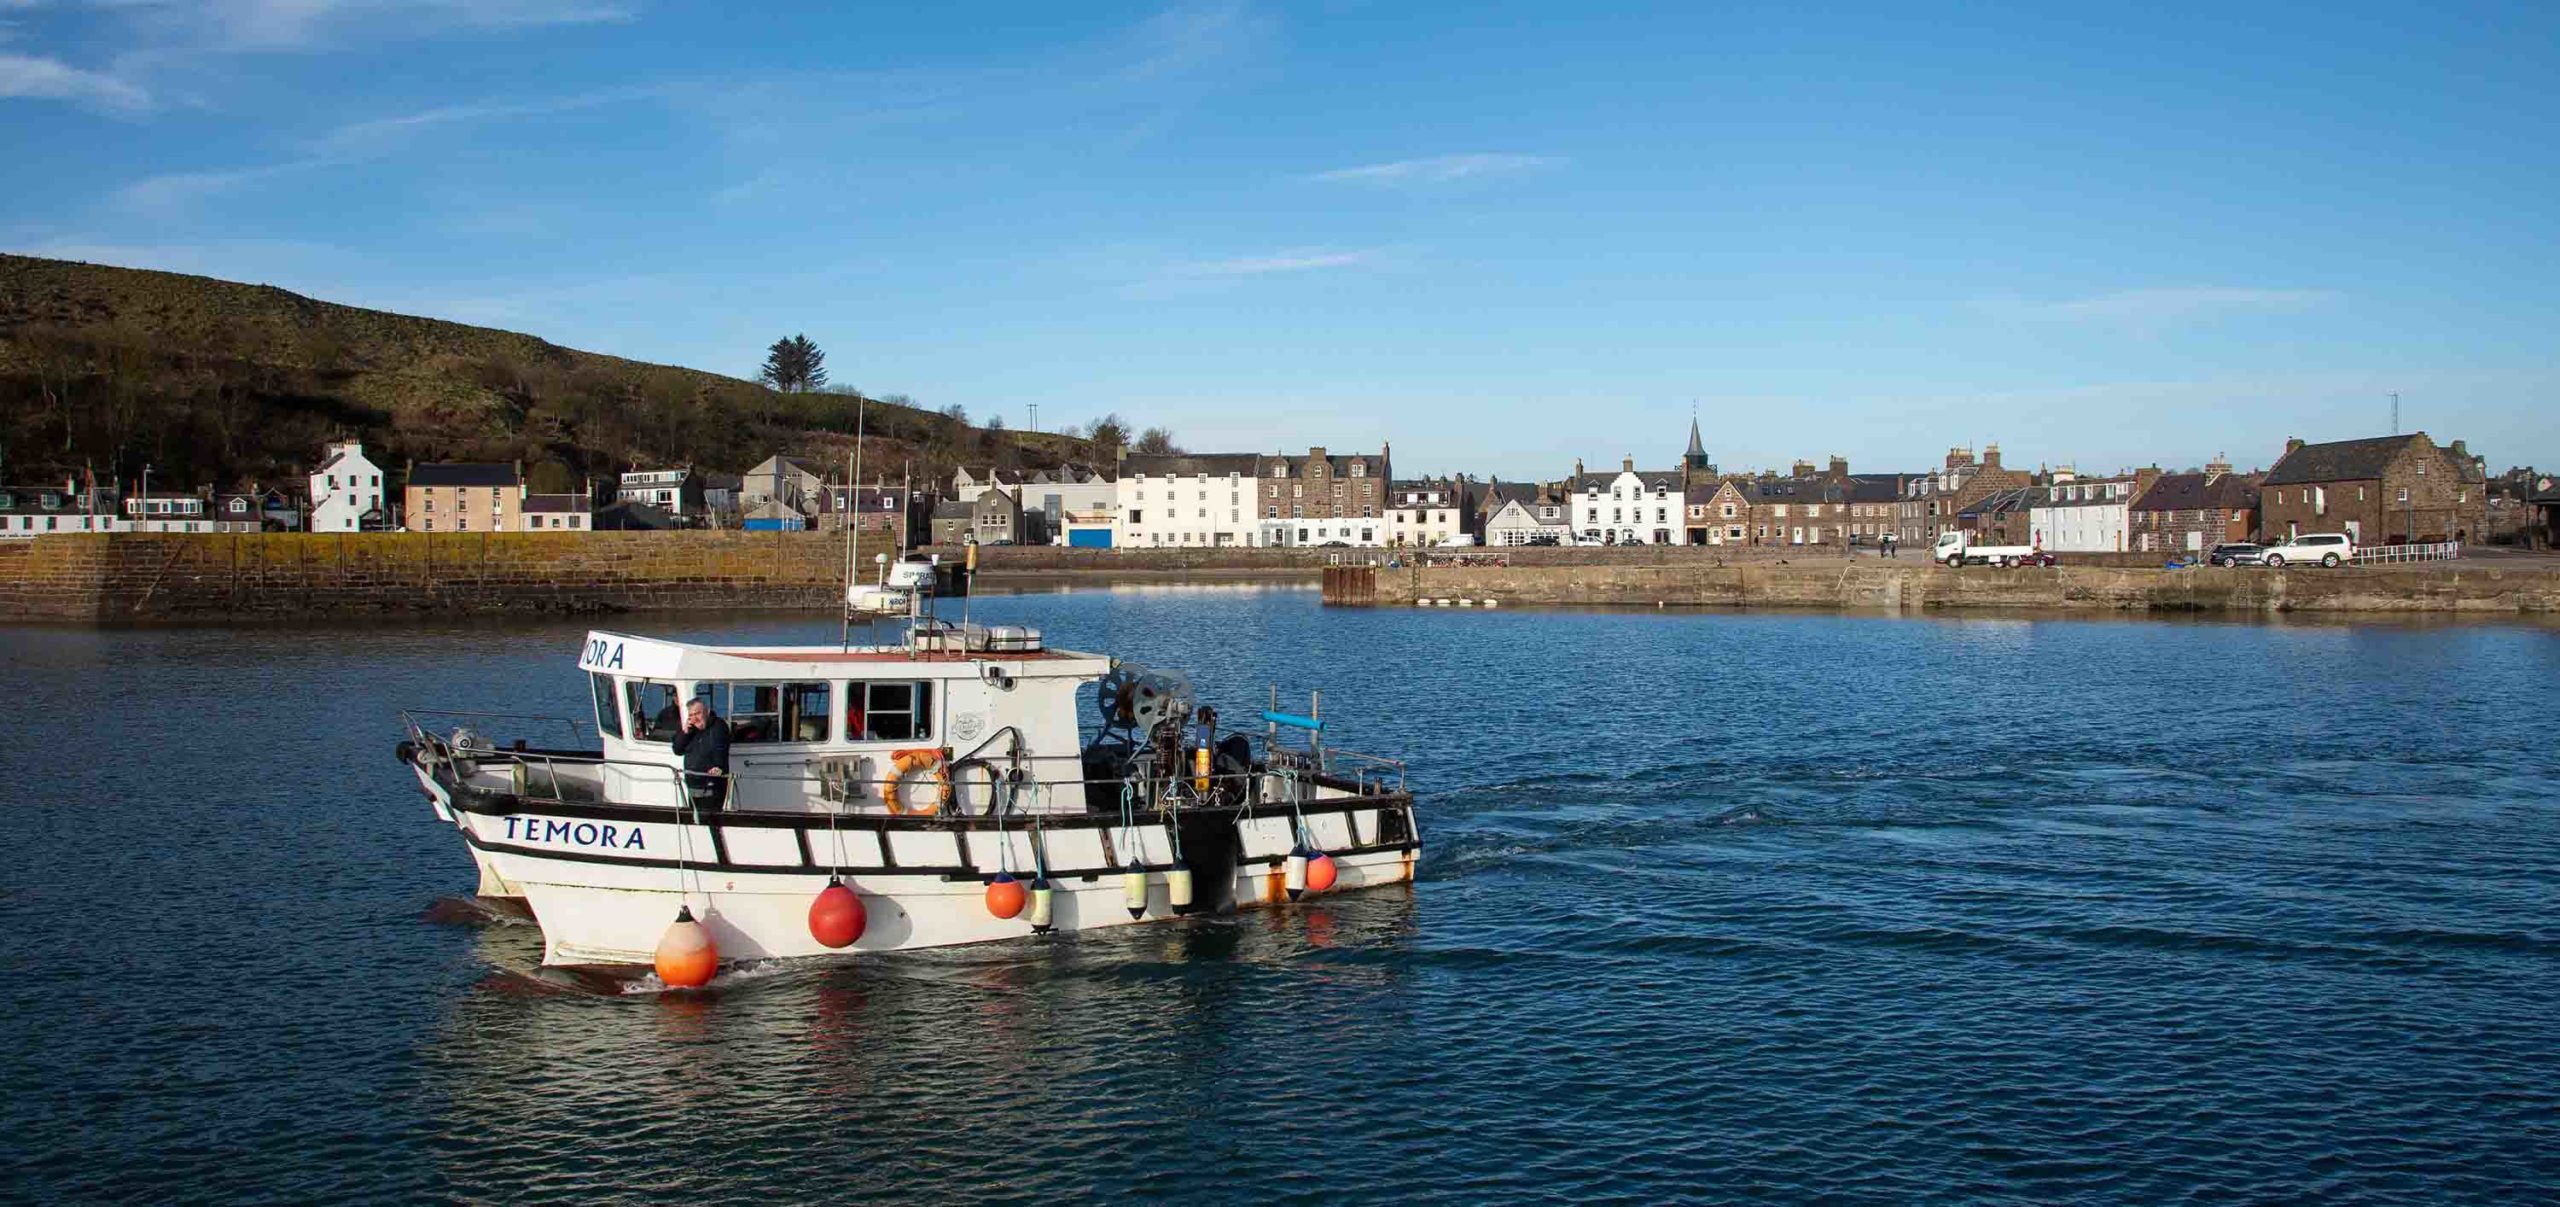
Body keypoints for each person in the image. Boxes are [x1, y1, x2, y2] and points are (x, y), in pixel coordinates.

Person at [671, 697, 731, 814]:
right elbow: (677, 750)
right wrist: (685, 733)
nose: (695, 718)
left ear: (707, 712)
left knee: (710, 818)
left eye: (698, 713)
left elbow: (721, 748)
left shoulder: (718, 726)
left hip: (712, 784)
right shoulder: (689, 729)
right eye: (691, 715)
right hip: (693, 783)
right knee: (694, 818)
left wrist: (718, 766)